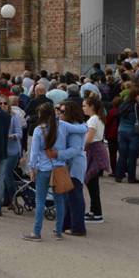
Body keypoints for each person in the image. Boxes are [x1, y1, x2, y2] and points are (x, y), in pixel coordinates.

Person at [22, 103, 69, 242]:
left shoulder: (39, 130)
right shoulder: (62, 127)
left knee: (40, 200)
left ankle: (37, 232)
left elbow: (34, 152)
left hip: (43, 168)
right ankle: (58, 231)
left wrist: (31, 168)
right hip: (59, 167)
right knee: (59, 201)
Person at [58, 101, 89, 236]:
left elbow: (75, 149)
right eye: (59, 110)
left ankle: (78, 228)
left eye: (62, 111)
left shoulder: (75, 128)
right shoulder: (72, 127)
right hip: (71, 164)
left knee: (75, 196)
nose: (59, 113)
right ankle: (66, 225)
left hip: (75, 165)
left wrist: (58, 154)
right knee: (69, 196)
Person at [83, 97, 110, 223]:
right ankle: (94, 211)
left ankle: (97, 214)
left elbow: (89, 139)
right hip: (96, 150)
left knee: (92, 184)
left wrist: (79, 147)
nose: (83, 108)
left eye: (85, 105)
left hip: (94, 151)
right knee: (92, 184)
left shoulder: (93, 119)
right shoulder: (96, 118)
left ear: (92, 106)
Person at [115, 85, 139, 184]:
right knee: (132, 156)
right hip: (133, 133)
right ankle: (131, 177)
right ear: (136, 96)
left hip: (122, 131)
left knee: (122, 155)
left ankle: (119, 175)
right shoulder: (137, 107)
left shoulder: (123, 105)